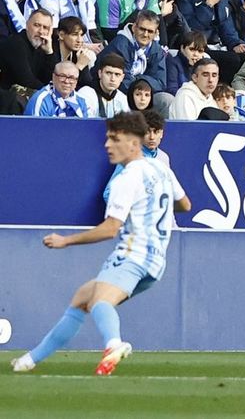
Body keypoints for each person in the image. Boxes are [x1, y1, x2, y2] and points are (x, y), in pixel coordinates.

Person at [11, 111, 189, 376]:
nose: (107, 145)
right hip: (155, 261)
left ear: (133, 142)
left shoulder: (125, 179)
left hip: (133, 254)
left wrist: (65, 241)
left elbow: (110, 229)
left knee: (98, 302)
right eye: (107, 138)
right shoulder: (162, 169)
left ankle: (114, 345)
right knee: (82, 299)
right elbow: (185, 204)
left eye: (114, 139)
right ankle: (29, 360)